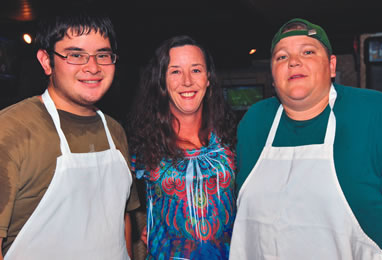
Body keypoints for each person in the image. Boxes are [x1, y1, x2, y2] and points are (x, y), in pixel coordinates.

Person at [230, 18, 382, 259]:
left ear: (332, 65)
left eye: (308, 51)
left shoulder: (375, 112)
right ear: (272, 75)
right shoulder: (255, 122)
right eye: (281, 57)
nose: (294, 62)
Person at [0, 11, 139, 260]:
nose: (93, 67)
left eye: (103, 55)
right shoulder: (11, 129)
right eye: (76, 55)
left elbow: (122, 218)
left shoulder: (115, 130)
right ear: (45, 61)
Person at [127, 35, 237, 259]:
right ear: (162, 82)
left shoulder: (233, 139)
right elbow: (117, 211)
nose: (187, 81)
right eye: (175, 71)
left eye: (196, 70)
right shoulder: (141, 145)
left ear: (208, 79)